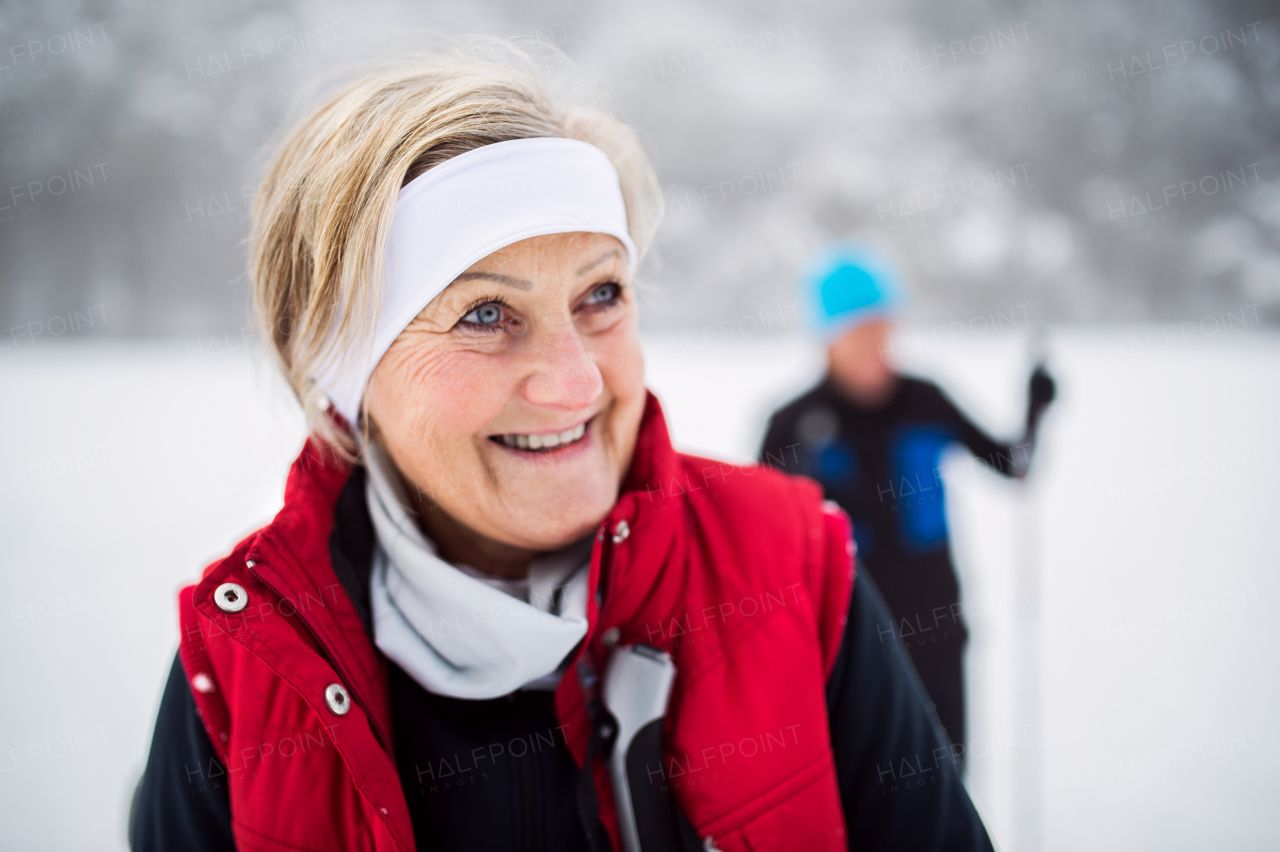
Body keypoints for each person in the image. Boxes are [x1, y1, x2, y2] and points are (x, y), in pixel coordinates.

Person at [130, 44, 994, 852]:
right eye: (485, 314)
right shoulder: (252, 663)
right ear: (348, 371)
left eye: (601, 293)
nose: (577, 383)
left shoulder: (791, 569)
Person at [760, 246, 1055, 752]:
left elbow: (1014, 466)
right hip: (848, 644)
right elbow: (759, 535)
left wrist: (1036, 409)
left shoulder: (925, 400)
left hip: (937, 629)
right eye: (858, 333)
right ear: (827, 339)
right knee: (872, 799)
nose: (876, 345)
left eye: (883, 328)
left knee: (948, 779)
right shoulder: (794, 424)